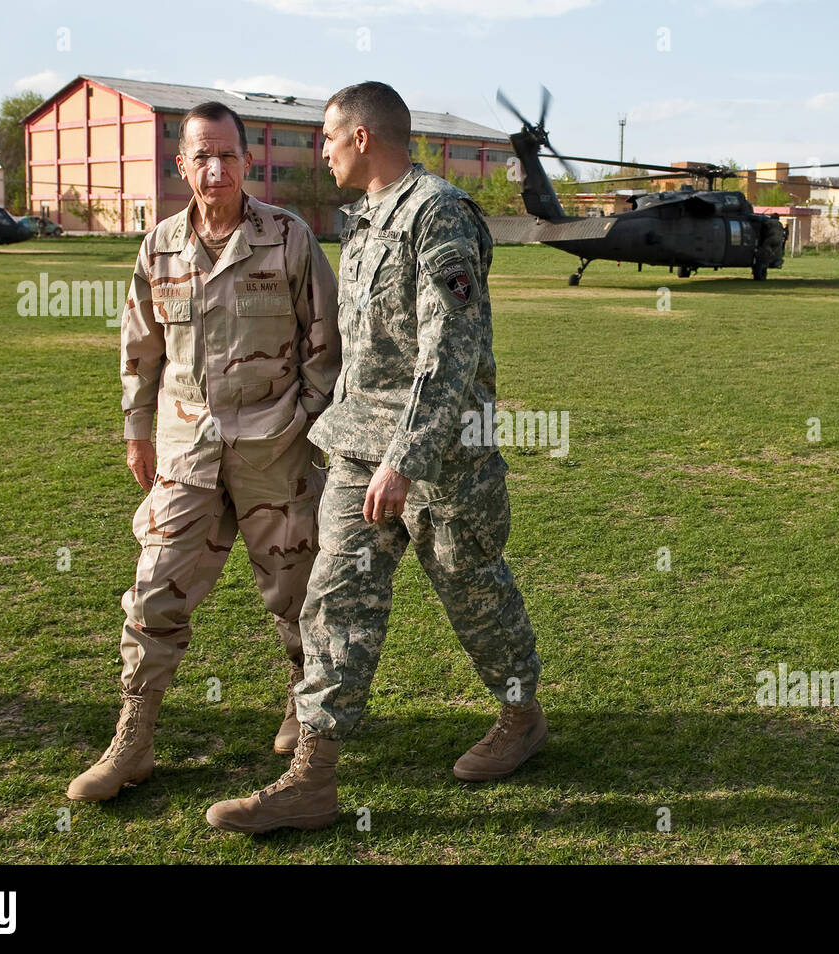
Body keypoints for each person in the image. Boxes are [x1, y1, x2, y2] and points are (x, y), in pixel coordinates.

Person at [206, 81, 544, 833]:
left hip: (441, 456)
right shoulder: (361, 226)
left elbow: (451, 348)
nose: (319, 153)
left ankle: (521, 716)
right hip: (359, 449)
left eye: (327, 138)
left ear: (361, 137)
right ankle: (312, 776)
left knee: (473, 593)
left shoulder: (437, 212)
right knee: (333, 598)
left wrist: (408, 458)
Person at [67, 101, 341, 802]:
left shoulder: (288, 236)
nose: (215, 168)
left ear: (245, 161)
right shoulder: (156, 246)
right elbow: (140, 347)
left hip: (274, 447)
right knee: (155, 588)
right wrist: (136, 428)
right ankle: (134, 738)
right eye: (201, 156)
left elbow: (324, 341)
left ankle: (300, 708)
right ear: (181, 165)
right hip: (187, 451)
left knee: (296, 592)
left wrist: (306, 423)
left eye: (227, 155)